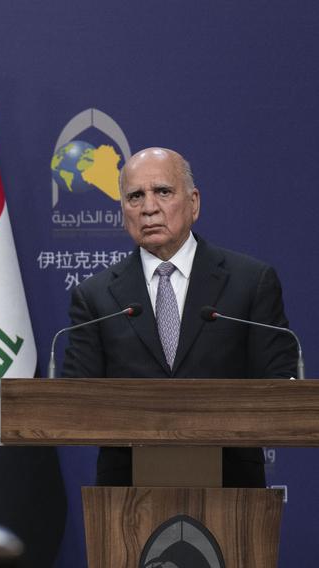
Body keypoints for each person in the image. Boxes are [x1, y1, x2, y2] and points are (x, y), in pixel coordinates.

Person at [61, 147, 297, 487]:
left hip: (231, 488)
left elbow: (279, 384)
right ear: (122, 211)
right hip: (127, 494)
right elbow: (74, 402)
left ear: (194, 203)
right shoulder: (95, 297)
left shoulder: (250, 282)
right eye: (135, 196)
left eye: (163, 192)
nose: (149, 208)